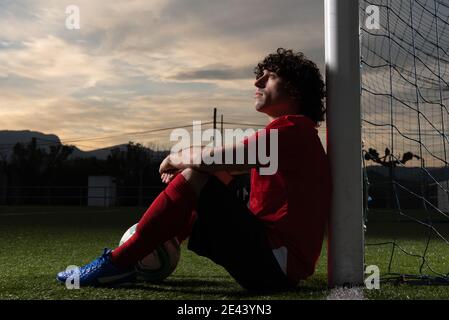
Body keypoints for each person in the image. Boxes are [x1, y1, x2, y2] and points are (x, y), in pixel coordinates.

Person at [56, 48, 331, 291]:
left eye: (269, 76)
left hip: (276, 263)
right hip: (273, 262)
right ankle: (161, 242)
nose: (257, 81)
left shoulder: (292, 131)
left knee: (197, 172)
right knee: (208, 175)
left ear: (294, 89)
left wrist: (175, 158)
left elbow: (206, 161)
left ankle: (118, 262)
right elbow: (219, 165)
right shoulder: (294, 135)